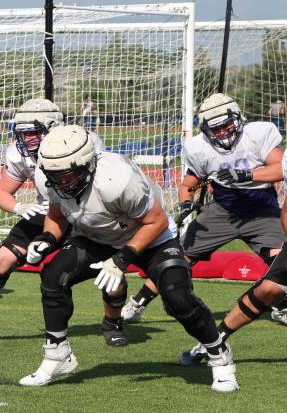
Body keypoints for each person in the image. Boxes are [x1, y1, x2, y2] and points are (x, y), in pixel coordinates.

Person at [19, 124, 237, 392]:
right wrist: (47, 239)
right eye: (55, 175)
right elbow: (57, 214)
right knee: (53, 275)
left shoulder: (117, 178)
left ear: (87, 163)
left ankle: (219, 354)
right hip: (97, 238)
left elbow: (155, 222)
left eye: (68, 174)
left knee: (177, 297)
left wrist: (122, 259)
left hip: (151, 237)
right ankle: (58, 355)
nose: (62, 181)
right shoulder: (49, 177)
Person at [0, 98, 125, 345]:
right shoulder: (18, 153)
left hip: (87, 212)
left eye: (33, 132)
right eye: (23, 133)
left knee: (110, 270)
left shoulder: (83, 141)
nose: (27, 139)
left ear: (52, 127)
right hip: (51, 211)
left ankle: (112, 323)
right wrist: (20, 206)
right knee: (3, 258)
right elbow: (1, 193)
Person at [121, 93, 286, 325]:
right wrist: (186, 204)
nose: (222, 133)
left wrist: (248, 174)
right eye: (215, 129)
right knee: (178, 257)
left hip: (262, 210)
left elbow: (282, 168)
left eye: (226, 125)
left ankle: (281, 305)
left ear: (238, 118)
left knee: (280, 261)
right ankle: (138, 302)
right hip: (222, 211)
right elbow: (188, 185)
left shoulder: (257, 135)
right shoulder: (200, 148)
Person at [178, 151, 287, 367]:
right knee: (267, 290)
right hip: (227, 213)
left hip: (260, 215)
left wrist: (247, 174)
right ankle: (216, 341)